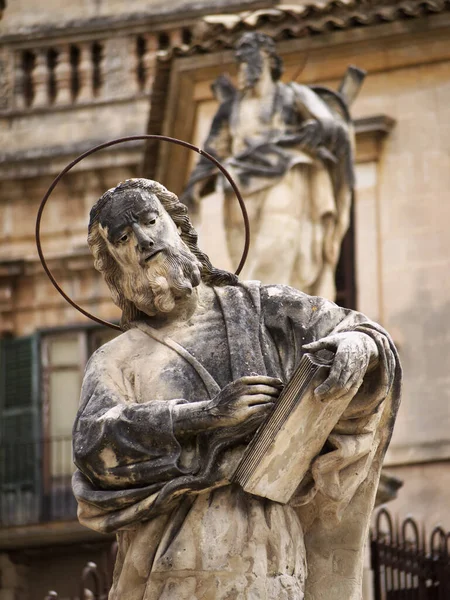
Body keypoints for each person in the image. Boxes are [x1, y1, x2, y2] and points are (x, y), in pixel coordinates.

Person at [73, 178, 401, 600]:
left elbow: (361, 332)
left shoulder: (262, 307)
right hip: (172, 566)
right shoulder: (116, 359)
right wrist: (203, 415)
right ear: (115, 264)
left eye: (150, 220)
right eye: (122, 237)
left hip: (274, 562)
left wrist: (359, 346)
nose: (142, 240)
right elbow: (92, 445)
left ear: (177, 224)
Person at [181, 32, 359, 300]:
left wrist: (317, 128)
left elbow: (332, 126)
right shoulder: (230, 108)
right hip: (239, 188)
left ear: (264, 58)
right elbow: (212, 153)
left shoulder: (291, 95)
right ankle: (255, 309)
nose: (240, 68)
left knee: (276, 249)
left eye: (245, 60)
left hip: (285, 172)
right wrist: (193, 191)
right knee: (247, 261)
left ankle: (269, 310)